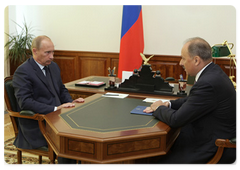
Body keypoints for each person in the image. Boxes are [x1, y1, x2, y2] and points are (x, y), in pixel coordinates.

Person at [144, 37, 237, 164]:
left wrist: (158, 108)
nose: (180, 63)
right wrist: (169, 103)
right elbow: (192, 100)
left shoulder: (208, 82)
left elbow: (176, 120)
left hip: (212, 147)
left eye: (183, 58)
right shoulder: (213, 72)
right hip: (206, 135)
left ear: (196, 60)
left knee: (155, 163)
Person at [12, 35, 84, 164]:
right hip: (38, 124)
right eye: (47, 53)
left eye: (53, 52)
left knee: (82, 133)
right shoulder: (23, 71)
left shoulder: (53, 66)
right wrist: (55, 108)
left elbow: (61, 89)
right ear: (35, 51)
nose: (52, 56)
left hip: (57, 119)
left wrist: (70, 102)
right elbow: (25, 102)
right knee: (68, 142)